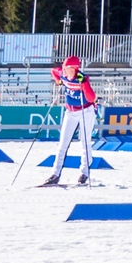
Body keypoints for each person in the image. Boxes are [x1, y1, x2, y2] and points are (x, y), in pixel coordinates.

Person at [42, 56, 97, 187]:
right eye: (64, 68)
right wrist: (59, 81)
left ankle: (84, 173)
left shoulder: (82, 78)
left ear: (74, 68)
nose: (64, 71)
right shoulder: (62, 74)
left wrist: (83, 85)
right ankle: (55, 174)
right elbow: (54, 72)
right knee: (62, 143)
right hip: (70, 111)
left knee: (85, 142)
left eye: (67, 68)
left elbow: (91, 98)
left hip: (85, 111)